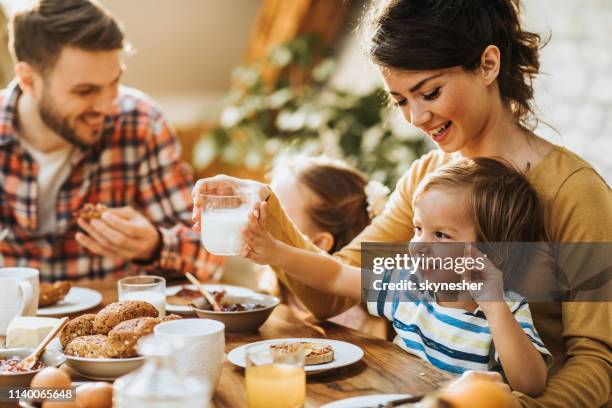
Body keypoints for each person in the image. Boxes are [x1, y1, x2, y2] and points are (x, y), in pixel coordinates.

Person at [193, 0, 611, 405]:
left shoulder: (574, 192)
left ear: (488, 64)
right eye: (401, 100)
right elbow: (334, 290)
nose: (415, 118)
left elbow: (596, 363)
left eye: (429, 92)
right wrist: (265, 209)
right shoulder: (428, 179)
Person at [243, 157, 552, 396]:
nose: (419, 244)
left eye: (441, 235)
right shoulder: (407, 285)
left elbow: (531, 384)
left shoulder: (506, 310)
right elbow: (335, 276)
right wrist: (278, 253)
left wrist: (494, 306)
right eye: (418, 229)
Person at [0, 0, 221, 281]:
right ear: (28, 80)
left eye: (114, 83)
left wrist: (154, 246)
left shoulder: (140, 123)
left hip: (109, 321)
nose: (109, 107)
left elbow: (212, 257)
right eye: (85, 91)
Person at [268, 155, 390, 337]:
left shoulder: (345, 318)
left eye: (280, 214)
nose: (267, 216)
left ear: (318, 244)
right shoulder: (277, 278)